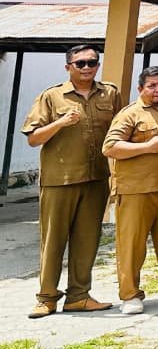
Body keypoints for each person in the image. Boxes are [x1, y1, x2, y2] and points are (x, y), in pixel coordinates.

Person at [22, 45, 122, 319]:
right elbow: (33, 138)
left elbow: (121, 130)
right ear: (68, 67)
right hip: (60, 180)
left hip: (96, 178)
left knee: (88, 241)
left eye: (92, 62)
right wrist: (61, 123)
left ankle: (79, 296)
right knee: (53, 241)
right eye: (80, 63)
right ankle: (46, 298)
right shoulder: (51, 96)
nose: (87, 67)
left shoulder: (110, 94)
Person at [102, 66, 158, 314]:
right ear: (141, 88)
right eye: (152, 85)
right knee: (132, 246)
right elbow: (110, 147)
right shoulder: (130, 114)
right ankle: (130, 295)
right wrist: (146, 148)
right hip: (135, 190)